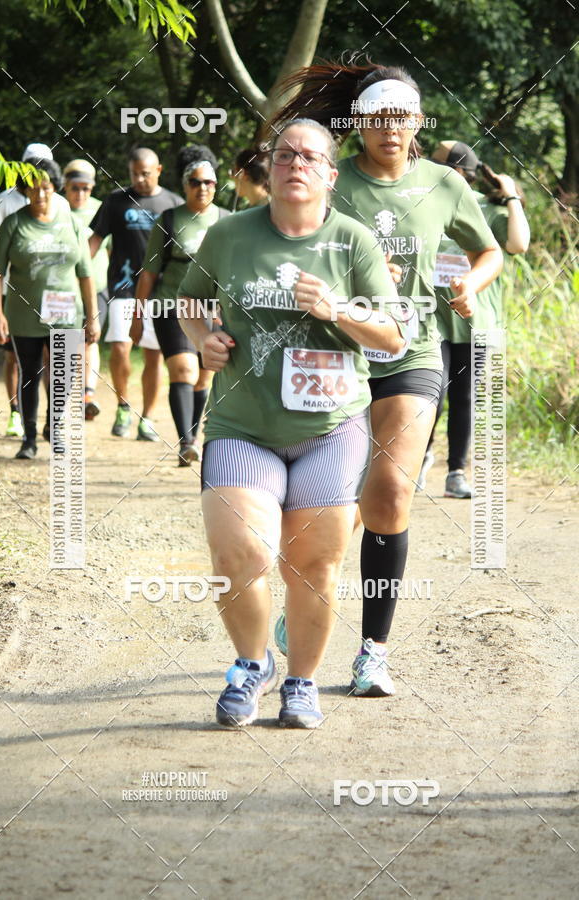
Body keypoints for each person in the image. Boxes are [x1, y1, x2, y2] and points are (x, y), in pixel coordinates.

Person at [270, 63, 503, 697]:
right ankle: (303, 606)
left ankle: (373, 649)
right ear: (360, 123)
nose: (389, 130)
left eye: (401, 118)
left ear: (418, 122)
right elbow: (288, 241)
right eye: (376, 119)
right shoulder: (333, 182)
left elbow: (491, 251)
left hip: (414, 354)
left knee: (390, 496)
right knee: (333, 503)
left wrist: (467, 284)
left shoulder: (444, 184)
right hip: (338, 354)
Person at [178, 118, 406, 728]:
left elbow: (391, 335)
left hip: (331, 428)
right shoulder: (229, 234)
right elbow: (189, 301)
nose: (295, 163)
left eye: (310, 156)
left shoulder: (353, 242)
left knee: (315, 565)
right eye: (283, 154)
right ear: (269, 168)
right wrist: (206, 339)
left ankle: (301, 682)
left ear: (331, 174)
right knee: (239, 553)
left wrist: (340, 310)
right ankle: (252, 666)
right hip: (242, 424)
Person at [418, 142, 530, 497]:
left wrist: (510, 194)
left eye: (434, 163)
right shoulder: (424, 201)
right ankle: (418, 459)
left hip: (475, 321)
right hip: (429, 319)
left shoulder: (486, 208)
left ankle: (455, 473)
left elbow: (518, 244)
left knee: (463, 397)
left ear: (458, 172)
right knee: (429, 394)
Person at [0, 159, 99, 459]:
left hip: (66, 313)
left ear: (56, 188)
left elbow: (86, 274)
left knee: (62, 374)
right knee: (30, 373)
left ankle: (54, 427)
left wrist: (92, 318)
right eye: (34, 190)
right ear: (25, 191)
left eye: (46, 189)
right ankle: (29, 437)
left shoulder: (71, 223)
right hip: (24, 313)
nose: (40, 196)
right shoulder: (14, 223)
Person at [131, 145, 228, 464]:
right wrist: (138, 315)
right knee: (182, 369)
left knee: (204, 376)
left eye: (209, 183)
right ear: (185, 185)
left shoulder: (229, 221)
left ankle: (195, 432)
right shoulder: (169, 220)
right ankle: (187, 442)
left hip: (214, 310)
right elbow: (149, 272)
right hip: (172, 307)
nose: (203, 188)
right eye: (196, 182)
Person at [88, 147, 182, 439]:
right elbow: (94, 242)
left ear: (158, 170)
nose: (140, 179)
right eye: (134, 174)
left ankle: (148, 417)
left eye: (145, 172)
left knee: (154, 356)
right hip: (123, 287)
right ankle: (122, 407)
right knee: (120, 347)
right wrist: (76, 274)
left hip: (161, 292)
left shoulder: (173, 204)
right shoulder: (116, 201)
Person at [0, 143, 68, 437]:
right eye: (31, 166)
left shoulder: (61, 204)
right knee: (16, 357)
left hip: (55, 296)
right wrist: (3, 266)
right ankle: (16, 412)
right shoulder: (5, 202)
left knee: (53, 357)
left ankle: (51, 422)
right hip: (13, 291)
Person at [63, 159, 112, 421]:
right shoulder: (56, 209)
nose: (81, 194)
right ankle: (65, 397)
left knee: (90, 338)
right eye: (75, 188)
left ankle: (88, 395)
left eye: (86, 188)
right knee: (65, 343)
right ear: (64, 186)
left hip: (98, 286)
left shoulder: (101, 209)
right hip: (65, 290)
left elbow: (111, 250)